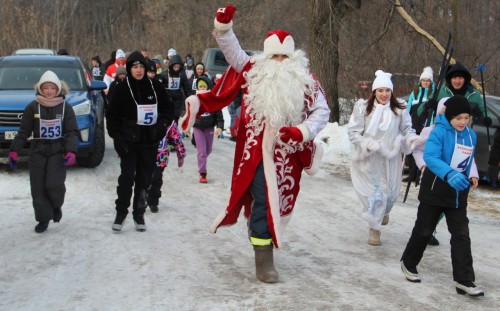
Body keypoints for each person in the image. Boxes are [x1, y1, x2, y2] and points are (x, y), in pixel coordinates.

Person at [180, 4, 330, 283]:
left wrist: (303, 131)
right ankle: (264, 259)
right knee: (263, 198)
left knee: (282, 203)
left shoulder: (307, 80)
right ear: (266, 55)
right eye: (274, 56)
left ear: (294, 58)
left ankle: (264, 237)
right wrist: (224, 28)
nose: (280, 62)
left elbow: (323, 111)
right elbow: (233, 53)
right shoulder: (253, 70)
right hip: (257, 153)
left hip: (289, 156)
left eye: (285, 57)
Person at [400, 95, 484, 298]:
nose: (463, 122)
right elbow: (430, 157)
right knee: (424, 230)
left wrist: (472, 174)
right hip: (435, 190)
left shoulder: (471, 135)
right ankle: (408, 263)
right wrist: (449, 173)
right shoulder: (438, 132)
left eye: (466, 117)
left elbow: (469, 159)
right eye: (458, 118)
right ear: (449, 117)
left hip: (458, 194)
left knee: (461, 235)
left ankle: (464, 280)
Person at [347, 70, 421, 246]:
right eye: (380, 90)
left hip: (391, 158)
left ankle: (384, 211)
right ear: (374, 92)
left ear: (391, 92)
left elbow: (407, 129)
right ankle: (374, 229)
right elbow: (353, 132)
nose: (384, 94)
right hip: (369, 159)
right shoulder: (363, 107)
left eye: (387, 90)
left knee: (392, 194)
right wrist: (366, 143)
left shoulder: (400, 108)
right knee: (375, 193)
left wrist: (411, 138)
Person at [105, 51, 174, 233]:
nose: (138, 70)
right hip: (129, 141)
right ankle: (121, 213)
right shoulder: (121, 88)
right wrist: (117, 136)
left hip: (149, 141)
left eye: (141, 66)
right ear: (129, 68)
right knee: (127, 178)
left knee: (144, 179)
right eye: (135, 67)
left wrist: (162, 125)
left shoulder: (155, 86)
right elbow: (111, 116)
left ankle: (139, 213)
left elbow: (168, 109)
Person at [7, 71, 78, 233]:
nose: (49, 91)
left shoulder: (66, 107)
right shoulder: (32, 107)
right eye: (45, 88)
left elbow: (72, 132)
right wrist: (14, 151)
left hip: (57, 150)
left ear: (58, 89)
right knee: (38, 187)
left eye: (52, 88)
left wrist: (71, 151)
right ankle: (43, 218)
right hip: (38, 150)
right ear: (40, 89)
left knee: (54, 185)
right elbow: (23, 132)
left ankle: (55, 206)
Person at [419, 62, 491, 128]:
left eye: (460, 78)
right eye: (454, 78)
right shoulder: (440, 91)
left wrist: (485, 119)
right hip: (443, 134)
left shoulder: (474, 95)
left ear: (465, 79)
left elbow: (484, 112)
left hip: (464, 136)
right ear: (450, 79)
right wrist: (427, 106)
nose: (457, 81)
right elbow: (419, 112)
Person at [147, 121, 186, 213]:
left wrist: (181, 154)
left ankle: (153, 201)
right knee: (144, 176)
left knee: (157, 178)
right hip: (144, 153)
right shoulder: (144, 113)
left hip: (161, 155)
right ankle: (144, 193)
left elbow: (176, 138)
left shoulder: (168, 120)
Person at [192, 76, 224, 183]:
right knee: (201, 152)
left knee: (207, 150)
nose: (201, 88)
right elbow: (188, 114)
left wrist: (220, 126)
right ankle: (203, 173)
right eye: (200, 86)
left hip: (209, 127)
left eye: (204, 86)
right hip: (198, 127)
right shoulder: (194, 99)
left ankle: (202, 159)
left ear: (207, 87)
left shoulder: (212, 98)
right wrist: (186, 127)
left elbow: (219, 114)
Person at [161, 54, 190, 123]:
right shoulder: (164, 74)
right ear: (171, 65)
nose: (176, 68)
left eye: (178, 67)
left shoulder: (182, 75)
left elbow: (186, 87)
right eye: (175, 66)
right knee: (168, 118)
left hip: (178, 100)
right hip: (167, 99)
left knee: (176, 119)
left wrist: (190, 97)